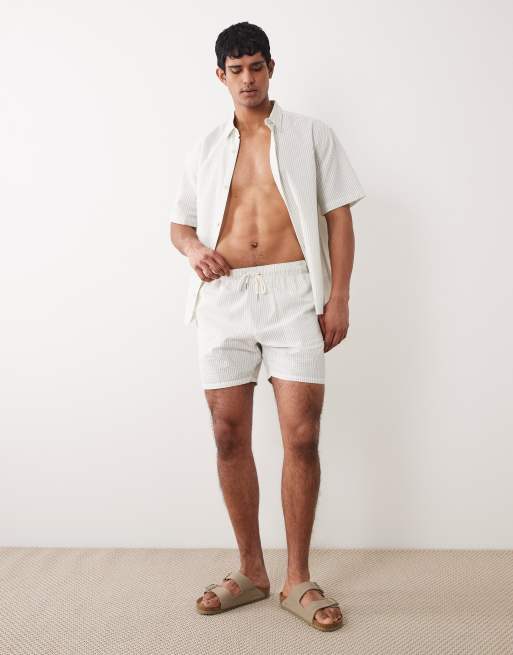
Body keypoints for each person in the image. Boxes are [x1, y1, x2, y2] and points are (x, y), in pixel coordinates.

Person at [170, 21, 365, 632]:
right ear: (220, 75)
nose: (247, 79)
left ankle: (297, 577)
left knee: (302, 434)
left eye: (256, 66)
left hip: (292, 295)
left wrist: (338, 297)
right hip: (224, 298)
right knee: (227, 433)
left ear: (271, 68)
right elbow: (179, 224)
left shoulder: (312, 135)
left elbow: (339, 219)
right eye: (236, 70)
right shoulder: (205, 147)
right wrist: (194, 250)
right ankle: (252, 571)